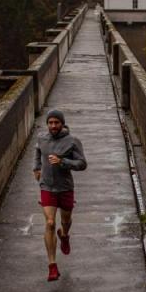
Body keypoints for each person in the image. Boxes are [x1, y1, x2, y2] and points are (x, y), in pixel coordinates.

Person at [33, 109, 87, 281]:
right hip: (47, 187)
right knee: (49, 223)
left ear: (62, 123)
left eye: (56, 122)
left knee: (65, 220)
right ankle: (52, 266)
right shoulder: (42, 138)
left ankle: (64, 235)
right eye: (50, 122)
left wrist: (63, 161)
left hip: (65, 188)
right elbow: (37, 151)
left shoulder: (72, 141)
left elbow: (82, 164)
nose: (53, 126)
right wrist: (36, 168)